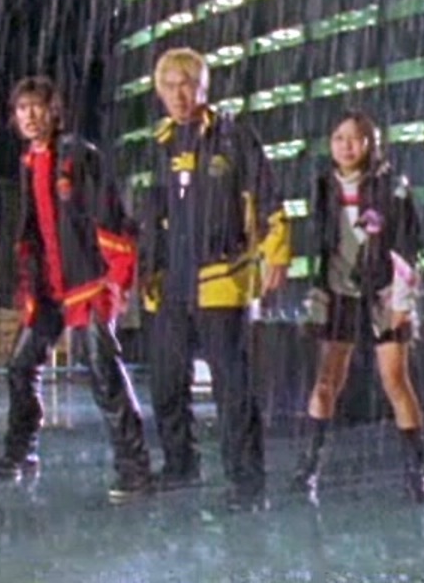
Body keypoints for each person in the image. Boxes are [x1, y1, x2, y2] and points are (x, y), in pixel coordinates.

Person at [141, 47, 290, 511]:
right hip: (172, 284)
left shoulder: (233, 136)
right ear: (159, 92)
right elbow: (151, 214)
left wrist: (276, 253)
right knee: (166, 382)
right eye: (170, 86)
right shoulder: (161, 143)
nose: (179, 94)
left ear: (203, 88)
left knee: (233, 386)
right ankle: (180, 464)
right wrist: (145, 270)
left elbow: (268, 198)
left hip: (222, 280)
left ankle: (247, 481)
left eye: (187, 84)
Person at [0, 75, 153, 503]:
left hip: (88, 282)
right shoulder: (28, 162)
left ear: (54, 112)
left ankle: (135, 468)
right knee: (20, 366)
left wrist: (117, 279)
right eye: (22, 109)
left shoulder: (79, 155)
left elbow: (111, 216)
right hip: (49, 286)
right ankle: (21, 451)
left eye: (37, 107)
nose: (29, 116)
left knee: (104, 375)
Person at [294, 110, 424, 505]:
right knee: (325, 382)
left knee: (395, 380)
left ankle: (416, 472)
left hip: (384, 290)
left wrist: (403, 299)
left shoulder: (392, 186)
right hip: (338, 291)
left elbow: (408, 245)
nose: (346, 146)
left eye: (355, 138)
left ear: (371, 143)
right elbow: (320, 244)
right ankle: (309, 470)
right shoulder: (323, 185)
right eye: (338, 138)